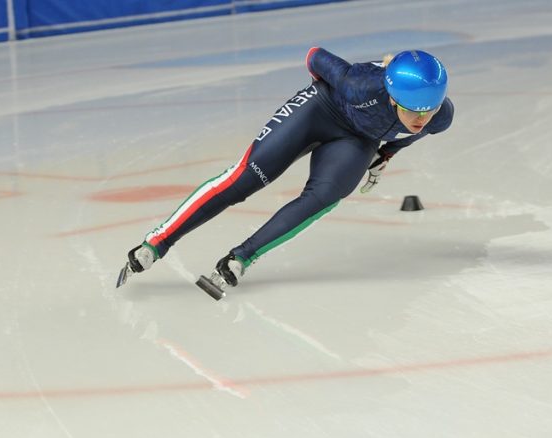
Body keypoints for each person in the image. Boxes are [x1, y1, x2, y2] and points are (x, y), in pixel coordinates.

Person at [116, 47, 455, 298]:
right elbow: (315, 56)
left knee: (325, 196)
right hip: (321, 108)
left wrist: (386, 153)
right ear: (393, 96)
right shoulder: (359, 85)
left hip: (357, 140)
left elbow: (412, 133)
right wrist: (315, 96)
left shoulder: (438, 117)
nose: (421, 119)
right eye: (412, 110)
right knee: (246, 178)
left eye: (430, 109)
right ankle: (157, 242)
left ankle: (241, 257)